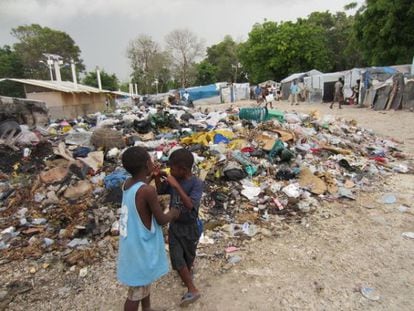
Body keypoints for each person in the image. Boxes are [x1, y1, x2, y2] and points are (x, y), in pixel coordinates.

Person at [117, 146, 179, 311]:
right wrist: (173, 212)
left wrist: (151, 176)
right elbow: (161, 220)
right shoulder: (148, 191)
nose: (154, 162)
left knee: (143, 282)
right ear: (146, 164)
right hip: (141, 248)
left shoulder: (127, 184)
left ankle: (147, 308)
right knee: (135, 292)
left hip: (131, 243)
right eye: (151, 160)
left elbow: (140, 187)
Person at [153, 148, 204, 307]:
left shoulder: (196, 183)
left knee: (189, 256)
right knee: (176, 257)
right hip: (176, 225)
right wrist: (157, 178)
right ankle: (192, 289)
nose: (170, 171)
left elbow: (190, 205)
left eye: (173, 169)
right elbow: (161, 191)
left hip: (190, 227)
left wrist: (176, 186)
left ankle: (187, 271)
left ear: (183, 169)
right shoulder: (174, 178)